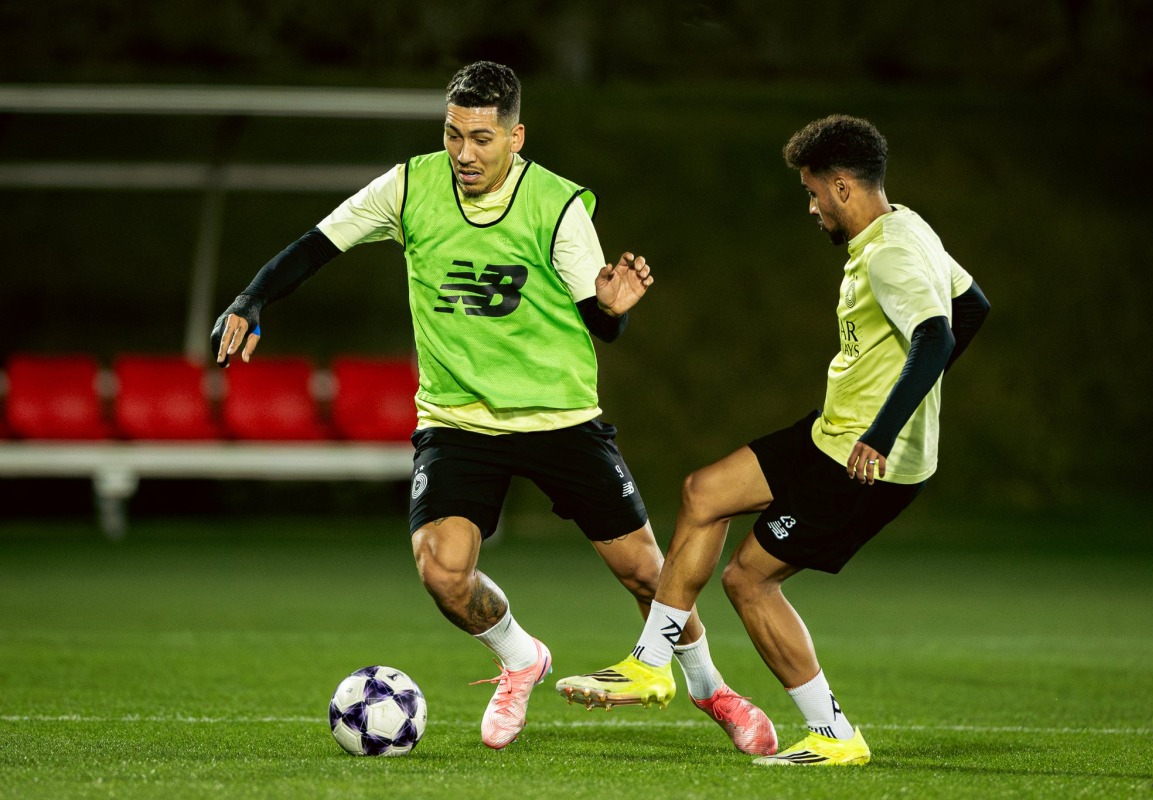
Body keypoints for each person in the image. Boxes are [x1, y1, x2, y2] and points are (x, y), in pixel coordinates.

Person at [210, 61, 776, 754]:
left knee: (646, 574)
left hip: (559, 417)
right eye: (453, 135)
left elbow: (599, 317)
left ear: (516, 136)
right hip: (457, 420)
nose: (465, 154)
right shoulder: (411, 184)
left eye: (482, 138)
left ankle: (710, 687)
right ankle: (519, 657)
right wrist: (252, 297)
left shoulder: (557, 204)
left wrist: (614, 310)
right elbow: (319, 242)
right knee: (441, 570)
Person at [556, 114, 991, 766]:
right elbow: (974, 305)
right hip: (832, 434)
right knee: (704, 492)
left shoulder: (894, 252)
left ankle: (836, 736)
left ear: (843, 187)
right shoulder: (907, 224)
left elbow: (937, 336)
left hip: (863, 460)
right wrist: (891, 396)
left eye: (814, 193)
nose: (812, 207)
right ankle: (651, 666)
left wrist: (881, 430)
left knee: (749, 582)